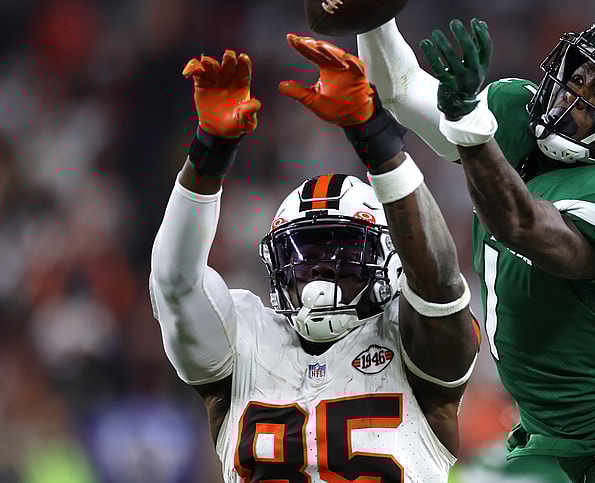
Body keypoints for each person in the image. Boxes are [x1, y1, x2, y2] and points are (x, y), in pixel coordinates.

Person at [357, 12, 595, 482]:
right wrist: (373, 19)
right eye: (578, 77)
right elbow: (398, 88)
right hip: (546, 435)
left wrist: (470, 124)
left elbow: (519, 222)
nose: (573, 98)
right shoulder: (515, 113)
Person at [149, 37, 479, 482]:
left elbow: (439, 286)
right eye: (304, 253)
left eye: (342, 248)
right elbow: (174, 282)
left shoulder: (410, 338)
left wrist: (377, 140)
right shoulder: (244, 337)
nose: (321, 266)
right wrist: (208, 153)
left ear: (390, 256)